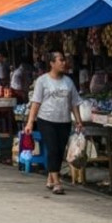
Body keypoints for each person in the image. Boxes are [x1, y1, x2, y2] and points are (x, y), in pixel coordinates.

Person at [23, 51, 84, 195]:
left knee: (60, 150)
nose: (63, 63)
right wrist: (30, 122)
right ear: (52, 63)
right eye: (60, 60)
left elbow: (74, 103)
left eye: (64, 60)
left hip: (64, 120)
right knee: (52, 149)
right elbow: (36, 103)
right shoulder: (42, 81)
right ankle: (57, 182)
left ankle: (51, 177)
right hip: (46, 120)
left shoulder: (68, 82)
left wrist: (78, 121)